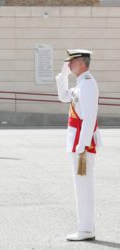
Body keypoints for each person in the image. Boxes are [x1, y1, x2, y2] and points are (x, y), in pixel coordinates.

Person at [55, 49, 102, 241]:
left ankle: (85, 228)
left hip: (82, 145)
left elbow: (89, 118)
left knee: (83, 186)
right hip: (77, 142)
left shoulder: (88, 84)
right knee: (81, 186)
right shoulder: (81, 83)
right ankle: (85, 227)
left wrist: (82, 146)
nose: (70, 65)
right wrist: (62, 75)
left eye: (72, 62)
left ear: (82, 63)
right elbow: (64, 96)